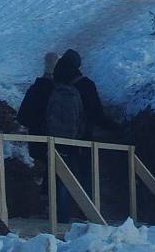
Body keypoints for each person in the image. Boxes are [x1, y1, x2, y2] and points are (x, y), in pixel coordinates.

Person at [49, 49, 119, 223]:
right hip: (83, 139)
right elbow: (96, 113)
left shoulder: (54, 84)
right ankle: (89, 214)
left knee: (62, 175)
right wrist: (115, 128)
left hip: (58, 139)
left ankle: (61, 216)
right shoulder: (85, 84)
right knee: (87, 174)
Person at [17, 52, 59, 200]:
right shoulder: (59, 92)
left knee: (43, 170)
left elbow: (22, 117)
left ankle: (42, 202)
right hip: (57, 140)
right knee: (56, 172)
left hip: (36, 140)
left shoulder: (34, 89)